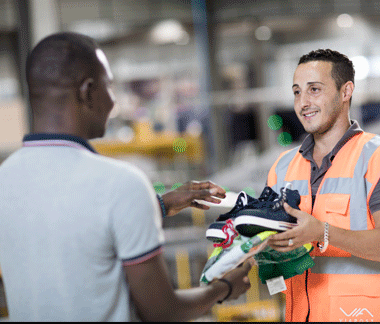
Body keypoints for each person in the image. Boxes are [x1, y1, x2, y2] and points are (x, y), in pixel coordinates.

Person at [0, 32, 253, 322]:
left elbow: (67, 224)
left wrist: (159, 205)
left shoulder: (5, 178)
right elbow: (161, 311)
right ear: (88, 91)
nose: (113, 101)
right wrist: (224, 288)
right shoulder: (122, 184)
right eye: (108, 86)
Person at [266, 49, 380, 322]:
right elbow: (274, 250)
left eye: (314, 89)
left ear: (346, 91)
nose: (303, 102)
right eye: (296, 92)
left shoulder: (374, 157)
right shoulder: (282, 167)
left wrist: (322, 232)